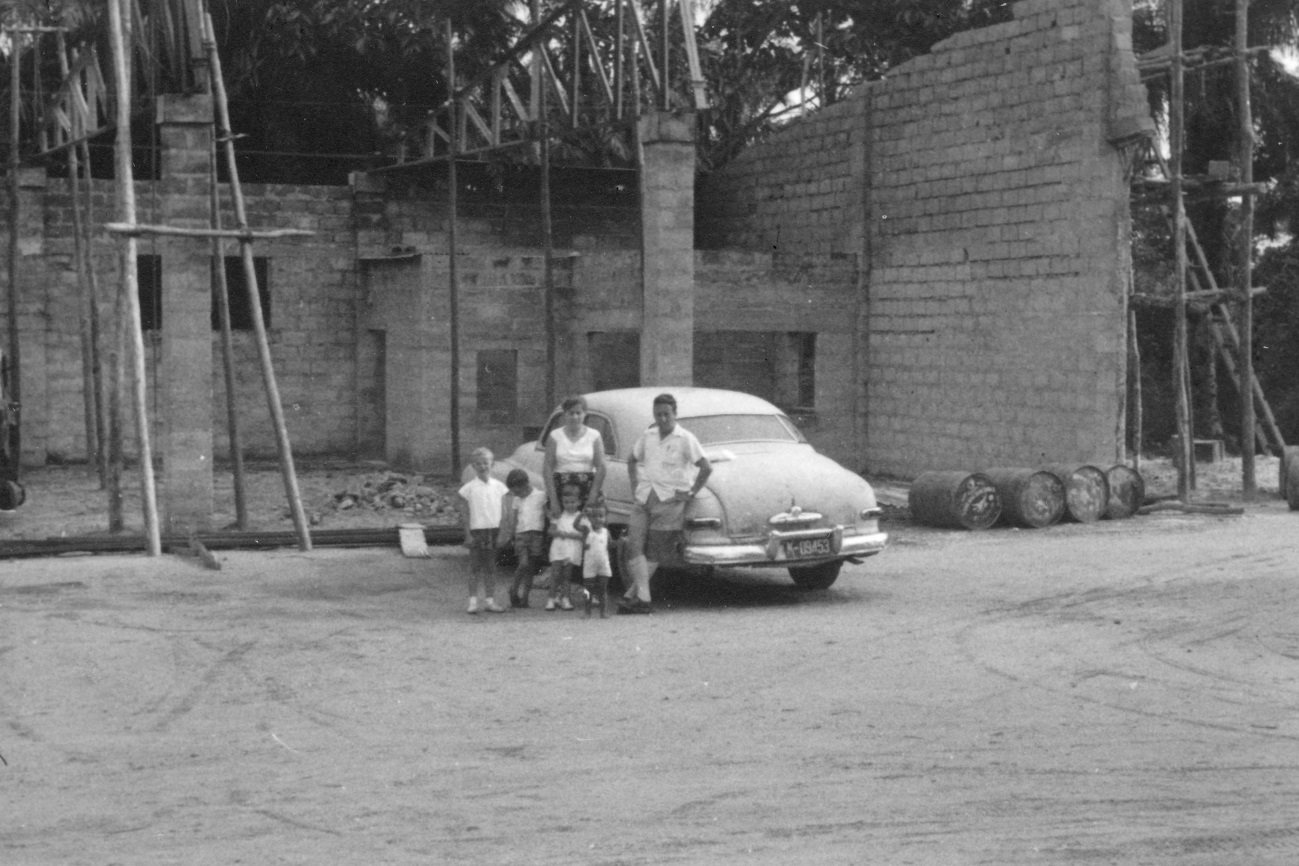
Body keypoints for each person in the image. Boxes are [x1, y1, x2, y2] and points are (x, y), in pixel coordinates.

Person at [621, 393, 712, 614]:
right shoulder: (648, 435)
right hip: (644, 498)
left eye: (666, 414)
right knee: (634, 545)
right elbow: (631, 459)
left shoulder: (685, 438)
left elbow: (706, 467)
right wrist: (635, 485)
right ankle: (643, 598)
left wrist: (690, 492)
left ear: (675, 414)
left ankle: (635, 597)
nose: (662, 419)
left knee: (654, 552)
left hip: (670, 502)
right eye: (658, 414)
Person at [457, 447, 508, 615]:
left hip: (494, 530)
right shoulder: (468, 488)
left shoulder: (500, 487)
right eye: (478, 463)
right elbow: (465, 513)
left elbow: (504, 511)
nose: (482, 466)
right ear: (473, 466)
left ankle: (490, 601)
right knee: (475, 567)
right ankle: (472, 602)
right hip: (477, 530)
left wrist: (502, 532)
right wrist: (468, 533)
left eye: (485, 462)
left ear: (492, 464)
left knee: (491, 566)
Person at [543, 396, 606, 518]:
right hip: (561, 489)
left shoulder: (594, 436)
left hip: (587, 487)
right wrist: (554, 500)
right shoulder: (555, 436)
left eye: (578, 413)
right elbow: (547, 467)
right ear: (564, 414)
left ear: (585, 414)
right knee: (561, 527)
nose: (575, 417)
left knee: (588, 528)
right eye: (571, 413)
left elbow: (601, 468)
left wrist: (592, 497)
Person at [498, 468, 548, 608]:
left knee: (530, 568)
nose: (516, 495)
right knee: (523, 563)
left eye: (517, 492)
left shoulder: (540, 496)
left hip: (536, 535)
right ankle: (513, 589)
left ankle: (525, 597)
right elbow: (514, 520)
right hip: (521, 535)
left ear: (525, 485)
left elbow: (546, 514)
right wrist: (512, 535)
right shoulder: (517, 500)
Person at [545, 483, 586, 611]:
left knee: (567, 576)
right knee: (555, 574)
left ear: (579, 502)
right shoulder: (559, 515)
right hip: (558, 548)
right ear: (562, 502)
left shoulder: (581, 517)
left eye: (573, 502)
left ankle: (565, 598)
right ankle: (551, 599)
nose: (569, 505)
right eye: (566, 502)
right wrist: (559, 533)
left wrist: (570, 535)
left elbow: (584, 535)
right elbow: (550, 531)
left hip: (572, 550)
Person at [579, 502, 613, 619]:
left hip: (603, 564)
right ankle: (587, 612)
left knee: (603, 589)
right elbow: (575, 525)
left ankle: (603, 612)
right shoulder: (586, 530)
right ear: (588, 517)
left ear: (605, 517)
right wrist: (581, 515)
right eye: (594, 516)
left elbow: (610, 546)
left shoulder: (606, 532)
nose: (598, 519)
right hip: (590, 565)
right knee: (588, 589)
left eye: (601, 516)